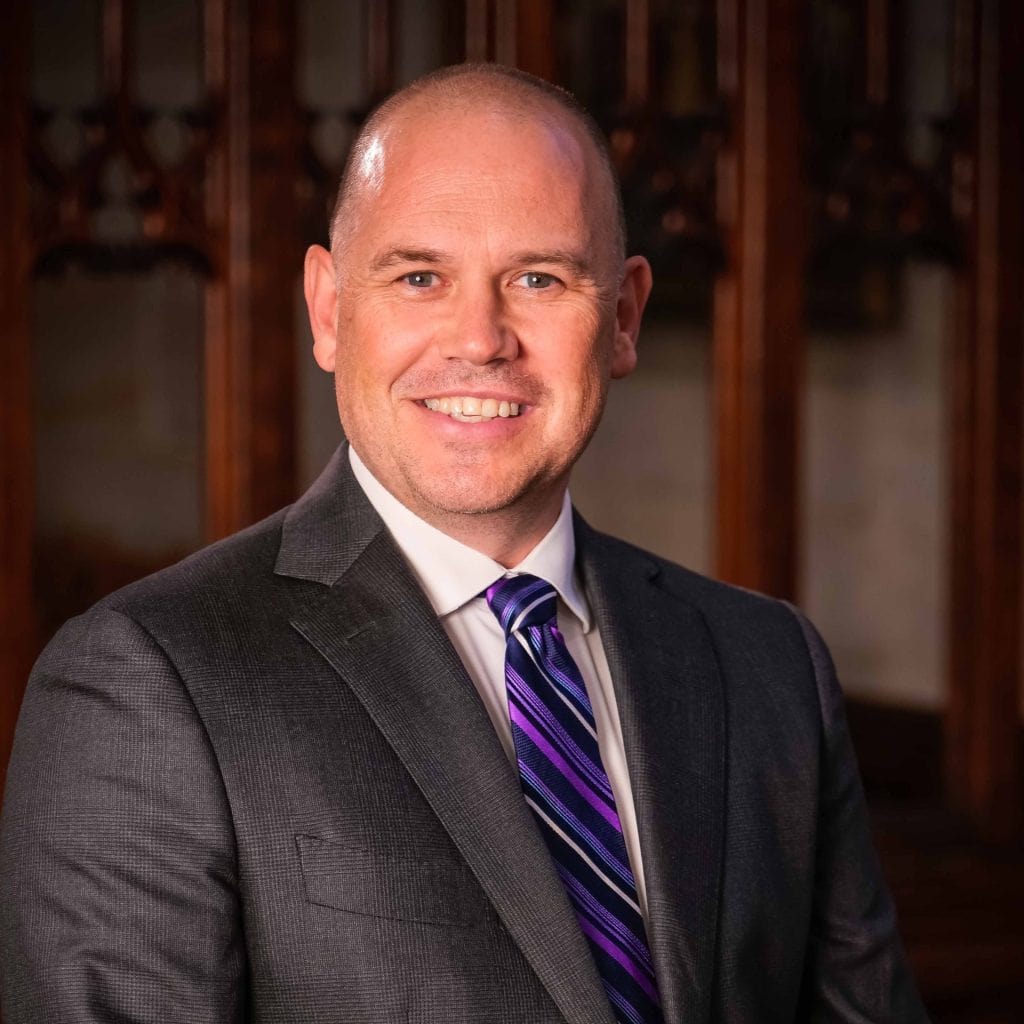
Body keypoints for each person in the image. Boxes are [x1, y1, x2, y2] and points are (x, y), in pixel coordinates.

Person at [0, 63, 927, 1023]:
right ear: (327, 308)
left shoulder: (767, 667)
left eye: (538, 278)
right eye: (418, 277)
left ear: (621, 315)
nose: (481, 339)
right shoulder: (147, 681)